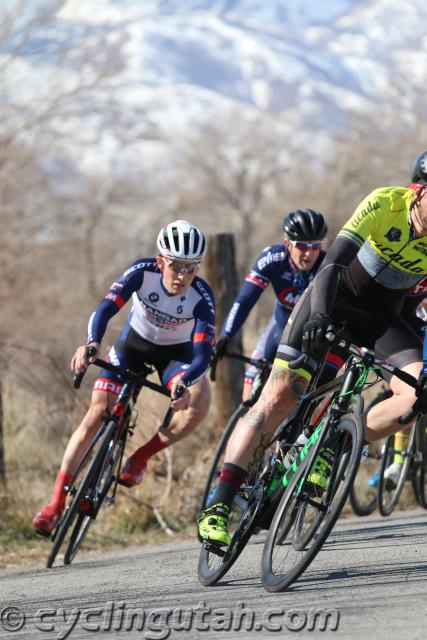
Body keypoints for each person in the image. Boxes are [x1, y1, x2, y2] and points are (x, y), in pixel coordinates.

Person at [198, 181, 427, 546]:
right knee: (279, 397)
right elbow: (332, 262)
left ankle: (337, 444)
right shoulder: (386, 203)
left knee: (418, 392)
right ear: (420, 192)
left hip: (382, 319)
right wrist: (320, 316)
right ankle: (219, 506)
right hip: (332, 301)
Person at [33, 220, 215, 536]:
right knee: (96, 413)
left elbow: (202, 354)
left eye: (192, 268)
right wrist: (92, 343)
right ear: (161, 261)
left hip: (175, 358)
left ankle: (139, 459)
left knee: (199, 402)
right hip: (133, 346)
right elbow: (105, 309)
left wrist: (185, 382)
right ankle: (54, 505)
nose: (183, 275)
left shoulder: (201, 297)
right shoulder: (141, 272)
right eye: (176, 266)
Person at [213, 209, 329, 401]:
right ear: (287, 243)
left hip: (312, 335)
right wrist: (225, 336)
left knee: (306, 397)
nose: (309, 253)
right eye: (301, 246)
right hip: (281, 325)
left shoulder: (327, 264)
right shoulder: (273, 259)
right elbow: (244, 301)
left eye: (315, 246)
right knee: (253, 380)